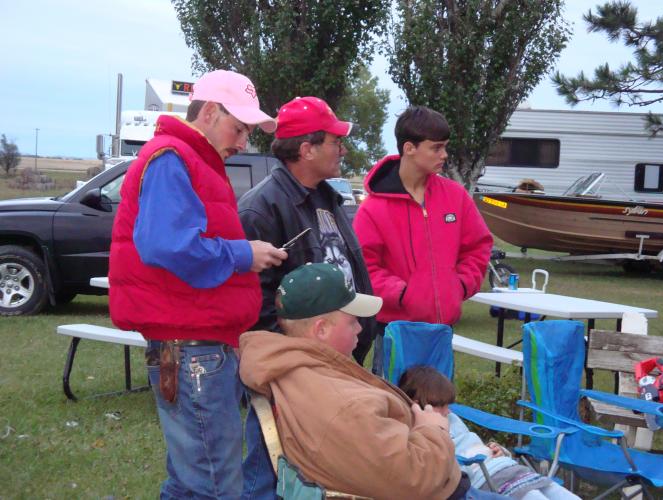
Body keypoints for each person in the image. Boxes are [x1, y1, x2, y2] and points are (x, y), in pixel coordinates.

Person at [109, 70, 287, 499]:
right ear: (209, 111)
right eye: (239, 127)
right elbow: (168, 246)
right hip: (194, 353)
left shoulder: (188, 160)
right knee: (214, 482)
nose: (243, 141)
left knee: (192, 480)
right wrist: (245, 254)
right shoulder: (173, 158)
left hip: (196, 349)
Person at [239, 263, 505, 500]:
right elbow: (411, 479)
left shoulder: (299, 366)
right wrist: (433, 429)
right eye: (353, 321)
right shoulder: (339, 403)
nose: (360, 329)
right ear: (320, 329)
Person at [237, 97, 377, 498]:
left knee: (317, 468)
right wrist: (290, 368)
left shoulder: (327, 198)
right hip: (295, 372)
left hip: (333, 359)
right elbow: (255, 305)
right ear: (307, 149)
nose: (343, 149)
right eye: (336, 140)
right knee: (271, 465)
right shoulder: (260, 210)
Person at [353, 105, 493, 327]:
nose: (444, 155)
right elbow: (363, 266)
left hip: (443, 331)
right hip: (392, 330)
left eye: (445, 147)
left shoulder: (455, 196)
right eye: (436, 148)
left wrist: (460, 285)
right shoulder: (373, 209)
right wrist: (402, 294)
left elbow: (478, 247)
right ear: (409, 148)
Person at [398, 366, 581, 500]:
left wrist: (498, 450)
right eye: (441, 405)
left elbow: (470, 444)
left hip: (508, 468)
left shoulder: (451, 419)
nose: (448, 411)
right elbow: (440, 469)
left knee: (563, 495)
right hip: (485, 480)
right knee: (534, 497)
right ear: (417, 402)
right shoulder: (417, 432)